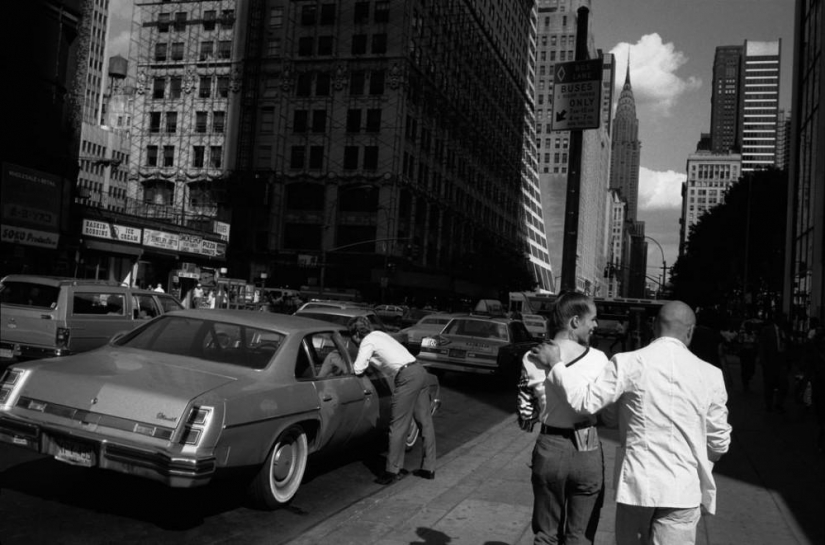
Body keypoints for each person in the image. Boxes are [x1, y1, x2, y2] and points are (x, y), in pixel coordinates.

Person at [545, 300, 732, 545]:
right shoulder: (711, 375)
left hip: (637, 485)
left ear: (654, 327)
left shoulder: (627, 362)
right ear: (690, 331)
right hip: (683, 491)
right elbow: (719, 444)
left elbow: (587, 403)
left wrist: (556, 365)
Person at [521, 292, 610, 545]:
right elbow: (604, 410)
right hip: (588, 445)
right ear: (574, 321)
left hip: (550, 446)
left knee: (546, 534)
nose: (596, 325)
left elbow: (528, 414)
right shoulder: (599, 359)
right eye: (592, 319)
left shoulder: (531, 356)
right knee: (579, 536)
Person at [348, 316, 436, 485]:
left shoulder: (367, 341)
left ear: (357, 334)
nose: (354, 341)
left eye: (353, 337)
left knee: (398, 425)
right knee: (425, 422)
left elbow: (358, 369)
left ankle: (392, 471)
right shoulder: (380, 335)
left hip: (407, 378)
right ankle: (428, 468)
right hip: (419, 370)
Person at [758, 314, 790, 413]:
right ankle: (769, 404)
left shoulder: (785, 331)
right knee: (769, 384)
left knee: (783, 384)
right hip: (771, 360)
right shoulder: (767, 330)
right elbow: (762, 346)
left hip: (782, 360)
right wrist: (763, 361)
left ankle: (779, 403)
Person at [738, 321, 758, 392]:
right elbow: (740, 343)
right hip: (745, 353)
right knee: (744, 368)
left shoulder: (753, 334)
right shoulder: (742, 334)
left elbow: (755, 343)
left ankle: (748, 378)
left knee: (751, 369)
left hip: (751, 353)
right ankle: (745, 384)